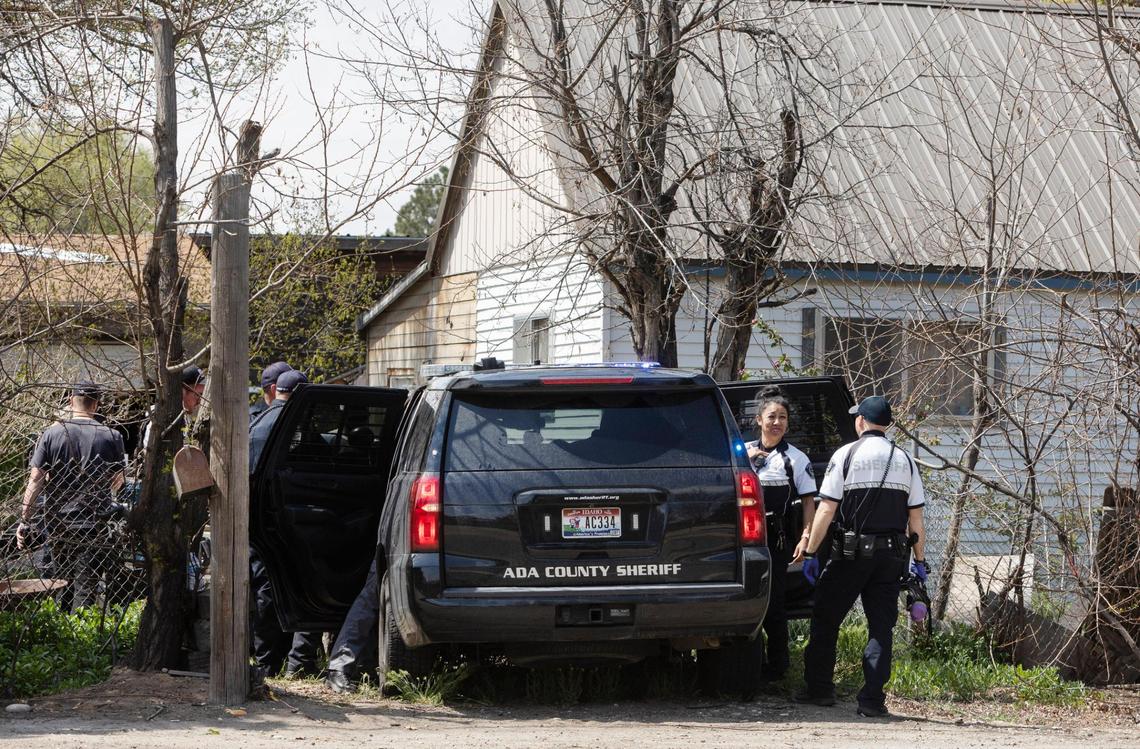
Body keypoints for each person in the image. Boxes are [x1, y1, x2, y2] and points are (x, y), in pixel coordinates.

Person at [795, 395, 926, 717]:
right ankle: (872, 701)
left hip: (851, 555)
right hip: (892, 559)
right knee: (881, 628)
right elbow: (916, 519)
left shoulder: (847, 454)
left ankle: (820, 689)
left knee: (826, 618)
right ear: (888, 425)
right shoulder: (905, 460)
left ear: (861, 422)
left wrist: (811, 552)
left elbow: (826, 508)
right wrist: (920, 563)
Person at [16, 383, 127, 612]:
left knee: (60, 585)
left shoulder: (51, 434)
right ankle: (83, 639)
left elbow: (35, 480)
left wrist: (25, 520)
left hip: (59, 523)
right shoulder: (111, 436)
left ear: (70, 401)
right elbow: (118, 480)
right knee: (86, 590)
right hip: (95, 523)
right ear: (96, 404)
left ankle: (61, 638)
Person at [744, 386, 817, 682]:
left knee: (773, 602)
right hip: (745, 538)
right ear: (759, 419)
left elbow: (810, 502)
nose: (777, 422)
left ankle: (777, 667)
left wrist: (805, 537)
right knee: (746, 600)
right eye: (772, 416)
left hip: (777, 539)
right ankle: (747, 664)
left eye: (783, 417)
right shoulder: (742, 452)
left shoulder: (796, 459)